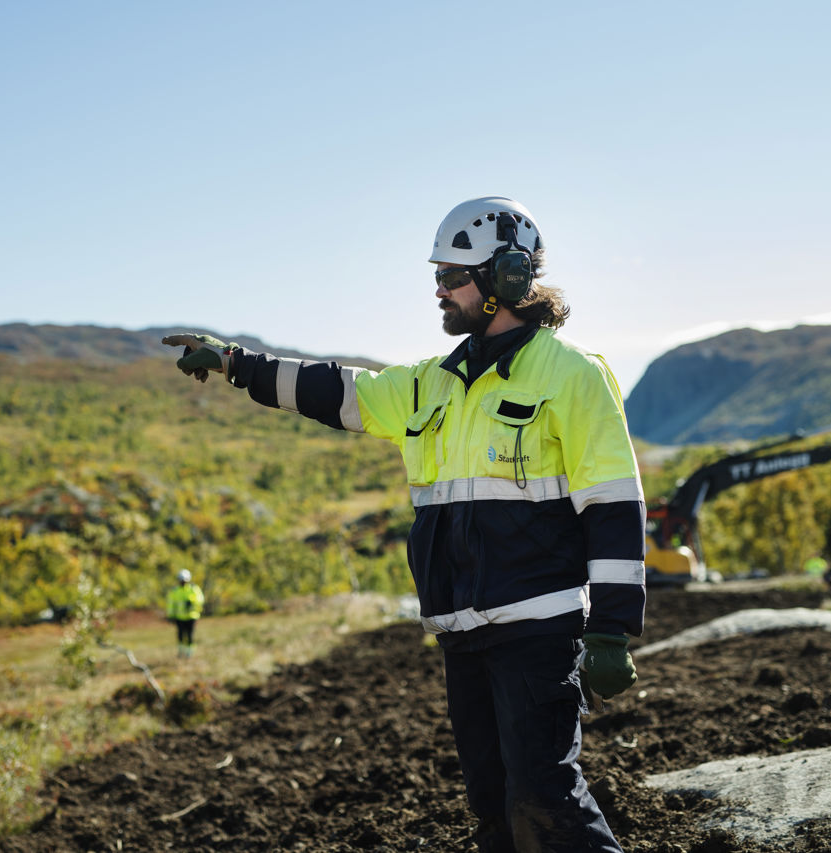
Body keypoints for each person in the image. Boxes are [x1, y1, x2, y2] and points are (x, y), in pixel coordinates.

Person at [162, 196, 645, 852]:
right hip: (460, 633)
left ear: (507, 277)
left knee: (543, 797)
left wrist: (612, 629)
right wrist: (234, 363)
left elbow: (613, 503)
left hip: (538, 630)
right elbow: (338, 390)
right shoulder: (431, 384)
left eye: (452, 276)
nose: (439, 290)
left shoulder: (572, 375)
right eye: (437, 275)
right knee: (492, 808)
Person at [165, 568, 204, 657]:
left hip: (191, 616)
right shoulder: (175, 591)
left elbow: (200, 599)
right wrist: (170, 615)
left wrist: (192, 601)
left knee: (190, 635)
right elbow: (171, 604)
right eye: (181, 581)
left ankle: (189, 652)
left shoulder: (193, 589)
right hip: (179, 617)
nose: (183, 582)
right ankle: (181, 652)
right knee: (180, 635)